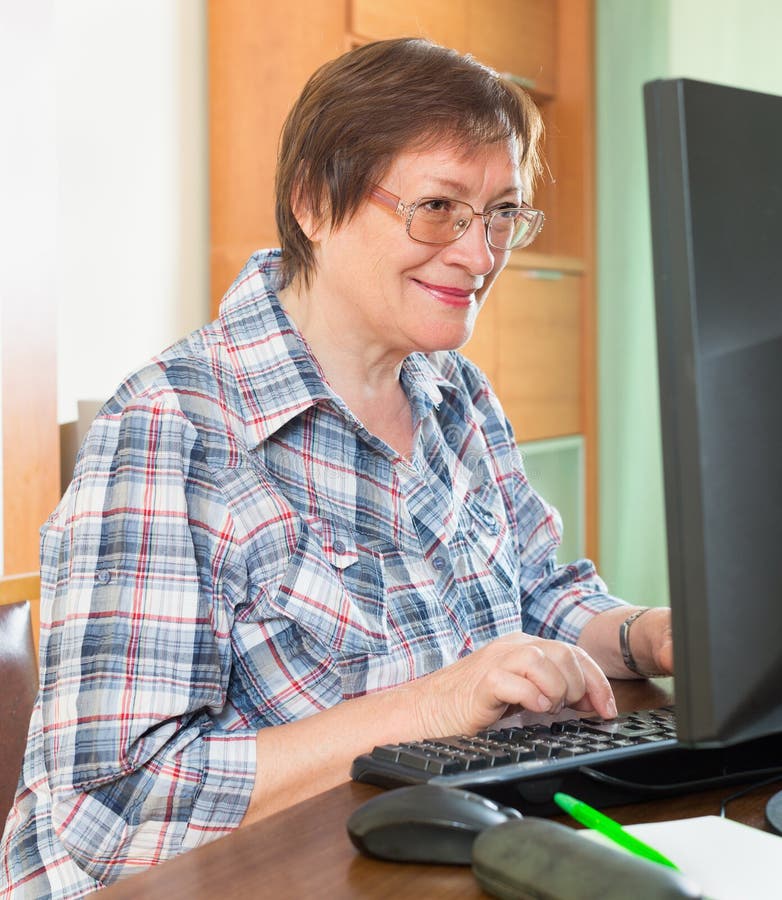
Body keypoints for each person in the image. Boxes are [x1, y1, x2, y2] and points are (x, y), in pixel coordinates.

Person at [0, 37, 673, 897]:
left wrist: (650, 633)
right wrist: (432, 705)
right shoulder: (171, 429)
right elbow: (117, 811)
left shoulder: (458, 395)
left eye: (503, 212)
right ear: (315, 202)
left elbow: (534, 596)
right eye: (439, 208)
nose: (479, 254)